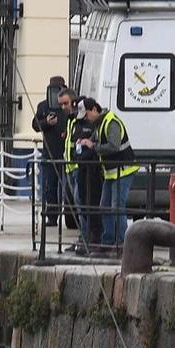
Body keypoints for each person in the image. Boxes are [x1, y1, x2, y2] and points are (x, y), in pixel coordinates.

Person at [77, 98, 140, 255]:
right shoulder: (99, 123)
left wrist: (93, 146)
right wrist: (86, 141)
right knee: (104, 205)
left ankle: (123, 244)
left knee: (117, 206)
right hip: (111, 172)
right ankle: (108, 241)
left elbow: (114, 145)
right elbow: (95, 138)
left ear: (94, 110)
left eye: (86, 116)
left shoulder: (111, 122)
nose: (85, 119)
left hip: (123, 170)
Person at [62, 90, 102, 255]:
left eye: (66, 104)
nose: (66, 109)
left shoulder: (89, 124)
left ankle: (88, 238)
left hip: (82, 168)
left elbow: (89, 147)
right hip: (71, 167)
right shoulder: (74, 121)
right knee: (79, 206)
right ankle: (84, 237)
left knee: (84, 204)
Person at [32, 76, 69, 227]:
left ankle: (71, 218)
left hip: (67, 153)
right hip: (49, 152)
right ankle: (52, 217)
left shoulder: (68, 106)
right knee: (50, 187)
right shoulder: (43, 106)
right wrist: (46, 123)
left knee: (68, 188)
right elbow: (35, 125)